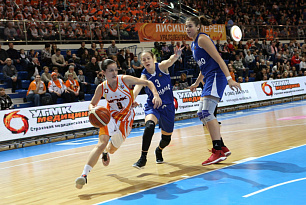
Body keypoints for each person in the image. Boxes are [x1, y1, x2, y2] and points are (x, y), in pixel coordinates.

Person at [75, 59, 162, 189]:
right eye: (111, 70)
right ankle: (83, 175)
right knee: (101, 143)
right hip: (109, 117)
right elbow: (92, 103)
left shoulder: (125, 80)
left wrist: (156, 94)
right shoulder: (102, 87)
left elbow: (148, 82)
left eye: (116, 69)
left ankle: (106, 152)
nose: (114, 73)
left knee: (112, 149)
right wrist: (92, 109)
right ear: (103, 72)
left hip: (125, 121)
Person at [186, 16, 241, 166]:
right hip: (209, 77)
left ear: (198, 26)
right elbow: (204, 67)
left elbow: (219, 59)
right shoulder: (193, 44)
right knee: (201, 114)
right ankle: (222, 146)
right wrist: (196, 83)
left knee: (207, 113)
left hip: (217, 76)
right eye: (186, 27)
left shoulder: (202, 39)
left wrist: (230, 78)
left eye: (190, 26)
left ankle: (217, 151)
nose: (188, 29)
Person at [132, 46, 184, 169]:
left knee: (166, 139)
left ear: (153, 59)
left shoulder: (161, 67)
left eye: (148, 58)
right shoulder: (144, 76)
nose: (146, 61)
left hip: (168, 107)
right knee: (149, 126)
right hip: (153, 106)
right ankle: (143, 158)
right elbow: (137, 88)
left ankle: (159, 150)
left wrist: (176, 55)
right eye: (143, 60)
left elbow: (170, 61)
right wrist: (131, 99)